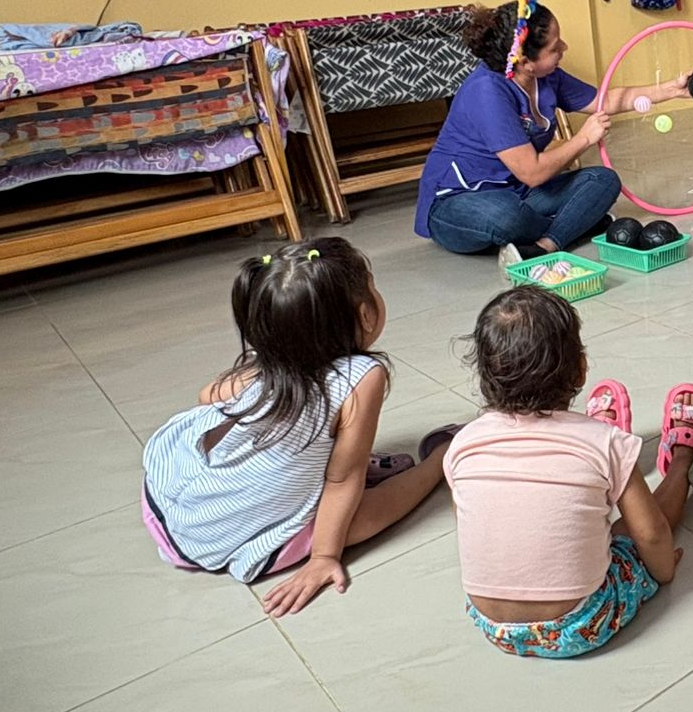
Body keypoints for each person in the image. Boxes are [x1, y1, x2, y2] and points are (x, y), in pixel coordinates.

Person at [141, 239, 457, 616]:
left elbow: (207, 395)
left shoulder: (267, 358)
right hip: (230, 539)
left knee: (311, 453)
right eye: (372, 287)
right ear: (365, 315)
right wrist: (324, 556)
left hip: (169, 507)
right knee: (357, 512)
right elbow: (343, 479)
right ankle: (439, 460)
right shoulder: (361, 377)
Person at [445, 287, 693, 658]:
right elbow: (652, 533)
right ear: (581, 368)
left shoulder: (463, 443)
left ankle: (599, 464)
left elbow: (471, 518)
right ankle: (684, 460)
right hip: (581, 621)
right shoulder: (605, 443)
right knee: (630, 530)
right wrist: (664, 571)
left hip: (493, 625)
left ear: (484, 378)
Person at [416, 0, 686, 263]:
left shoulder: (546, 76)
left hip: (519, 191)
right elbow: (532, 172)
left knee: (604, 180)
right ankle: (575, 223)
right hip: (457, 202)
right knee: (507, 217)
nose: (564, 48)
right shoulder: (487, 91)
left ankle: (545, 246)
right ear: (525, 61)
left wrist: (671, 90)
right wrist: (583, 139)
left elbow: (605, 101)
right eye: (555, 48)